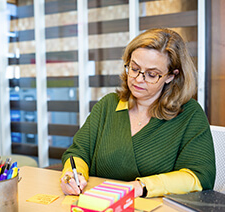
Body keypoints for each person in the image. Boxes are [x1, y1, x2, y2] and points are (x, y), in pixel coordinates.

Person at [60, 28, 216, 198]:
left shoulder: (189, 114)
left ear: (171, 76)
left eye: (151, 74)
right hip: (100, 204)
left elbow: (200, 176)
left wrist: (141, 186)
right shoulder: (108, 105)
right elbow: (78, 153)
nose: (138, 79)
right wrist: (72, 176)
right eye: (134, 69)